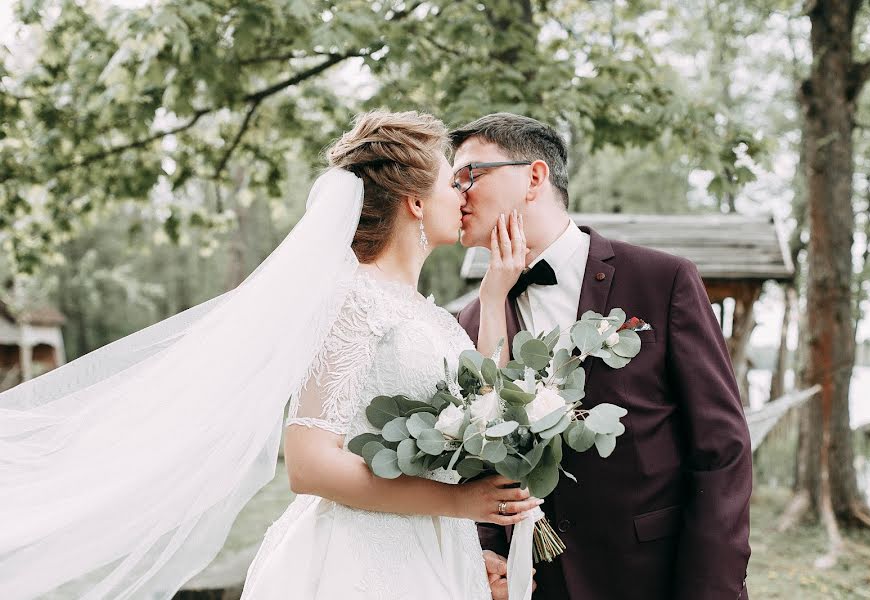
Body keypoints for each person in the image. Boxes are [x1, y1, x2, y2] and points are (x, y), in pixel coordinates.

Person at [0, 111, 538, 600]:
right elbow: (309, 464)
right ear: (415, 202)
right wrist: (455, 504)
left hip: (436, 553)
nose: (464, 195)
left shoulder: (428, 314)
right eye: (453, 181)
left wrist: (495, 294)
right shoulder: (353, 300)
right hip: (360, 561)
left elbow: (480, 397)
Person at [452, 113, 753, 600]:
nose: (456, 194)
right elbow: (476, 464)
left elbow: (723, 451)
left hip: (651, 576)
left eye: (469, 174)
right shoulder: (471, 321)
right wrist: (485, 553)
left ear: (534, 176)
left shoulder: (663, 281)